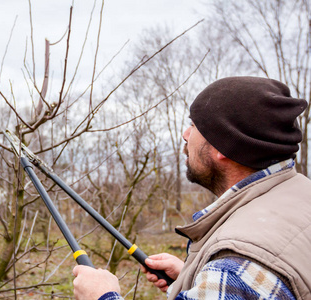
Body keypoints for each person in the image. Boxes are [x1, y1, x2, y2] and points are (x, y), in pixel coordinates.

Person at [72, 76, 311, 300]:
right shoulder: (300, 192)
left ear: (223, 148)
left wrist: (104, 296)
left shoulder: (232, 270)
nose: (186, 135)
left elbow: (241, 275)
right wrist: (196, 275)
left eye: (194, 126)